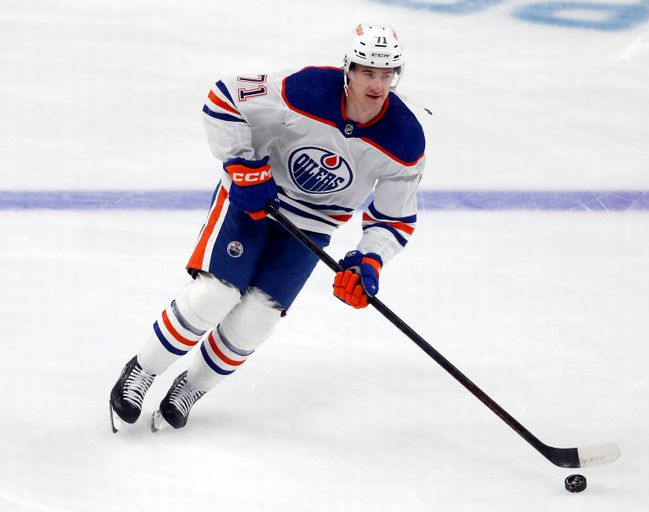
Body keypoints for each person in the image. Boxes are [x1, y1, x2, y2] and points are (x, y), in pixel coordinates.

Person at [109, 23, 425, 432]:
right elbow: (224, 97)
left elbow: (394, 217)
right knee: (215, 294)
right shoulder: (305, 90)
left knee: (257, 319)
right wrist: (243, 166)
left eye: (387, 74)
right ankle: (143, 369)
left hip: (313, 225)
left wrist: (370, 260)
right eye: (367, 71)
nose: (377, 84)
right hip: (256, 201)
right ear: (348, 69)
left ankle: (191, 387)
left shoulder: (405, 139)